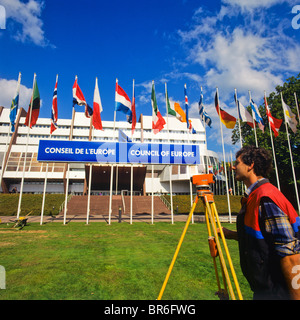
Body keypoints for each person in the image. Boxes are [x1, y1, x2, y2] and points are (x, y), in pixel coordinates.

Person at [222, 145, 300, 300]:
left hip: (277, 292)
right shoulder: (256, 196)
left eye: (237, 163)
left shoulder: (265, 197)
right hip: (266, 290)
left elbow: (290, 254)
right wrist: (230, 234)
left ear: (250, 165)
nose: (233, 166)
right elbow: (264, 238)